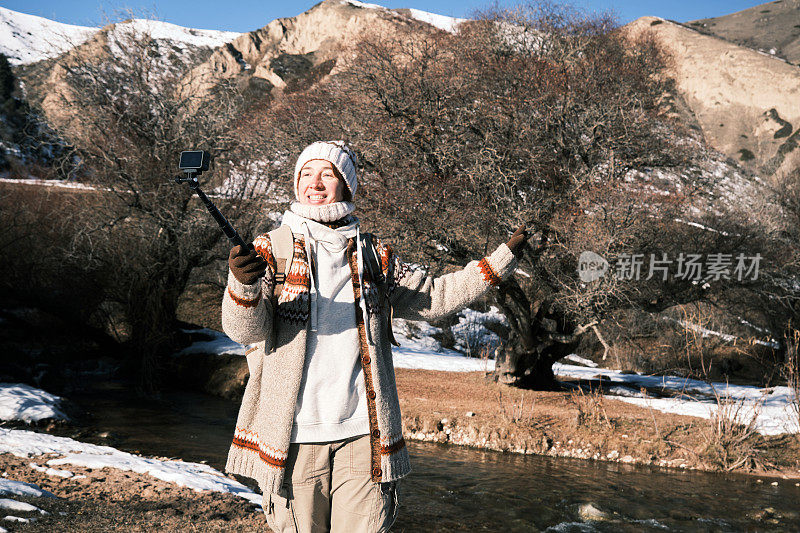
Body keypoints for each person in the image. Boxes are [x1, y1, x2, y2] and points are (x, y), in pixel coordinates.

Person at [221, 140, 527, 533]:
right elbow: (245, 330)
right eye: (306, 174)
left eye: (327, 174)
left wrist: (500, 261)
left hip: (364, 439)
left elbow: (434, 298)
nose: (315, 182)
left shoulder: (374, 256)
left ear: (346, 185)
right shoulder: (268, 249)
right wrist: (243, 286)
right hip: (293, 439)